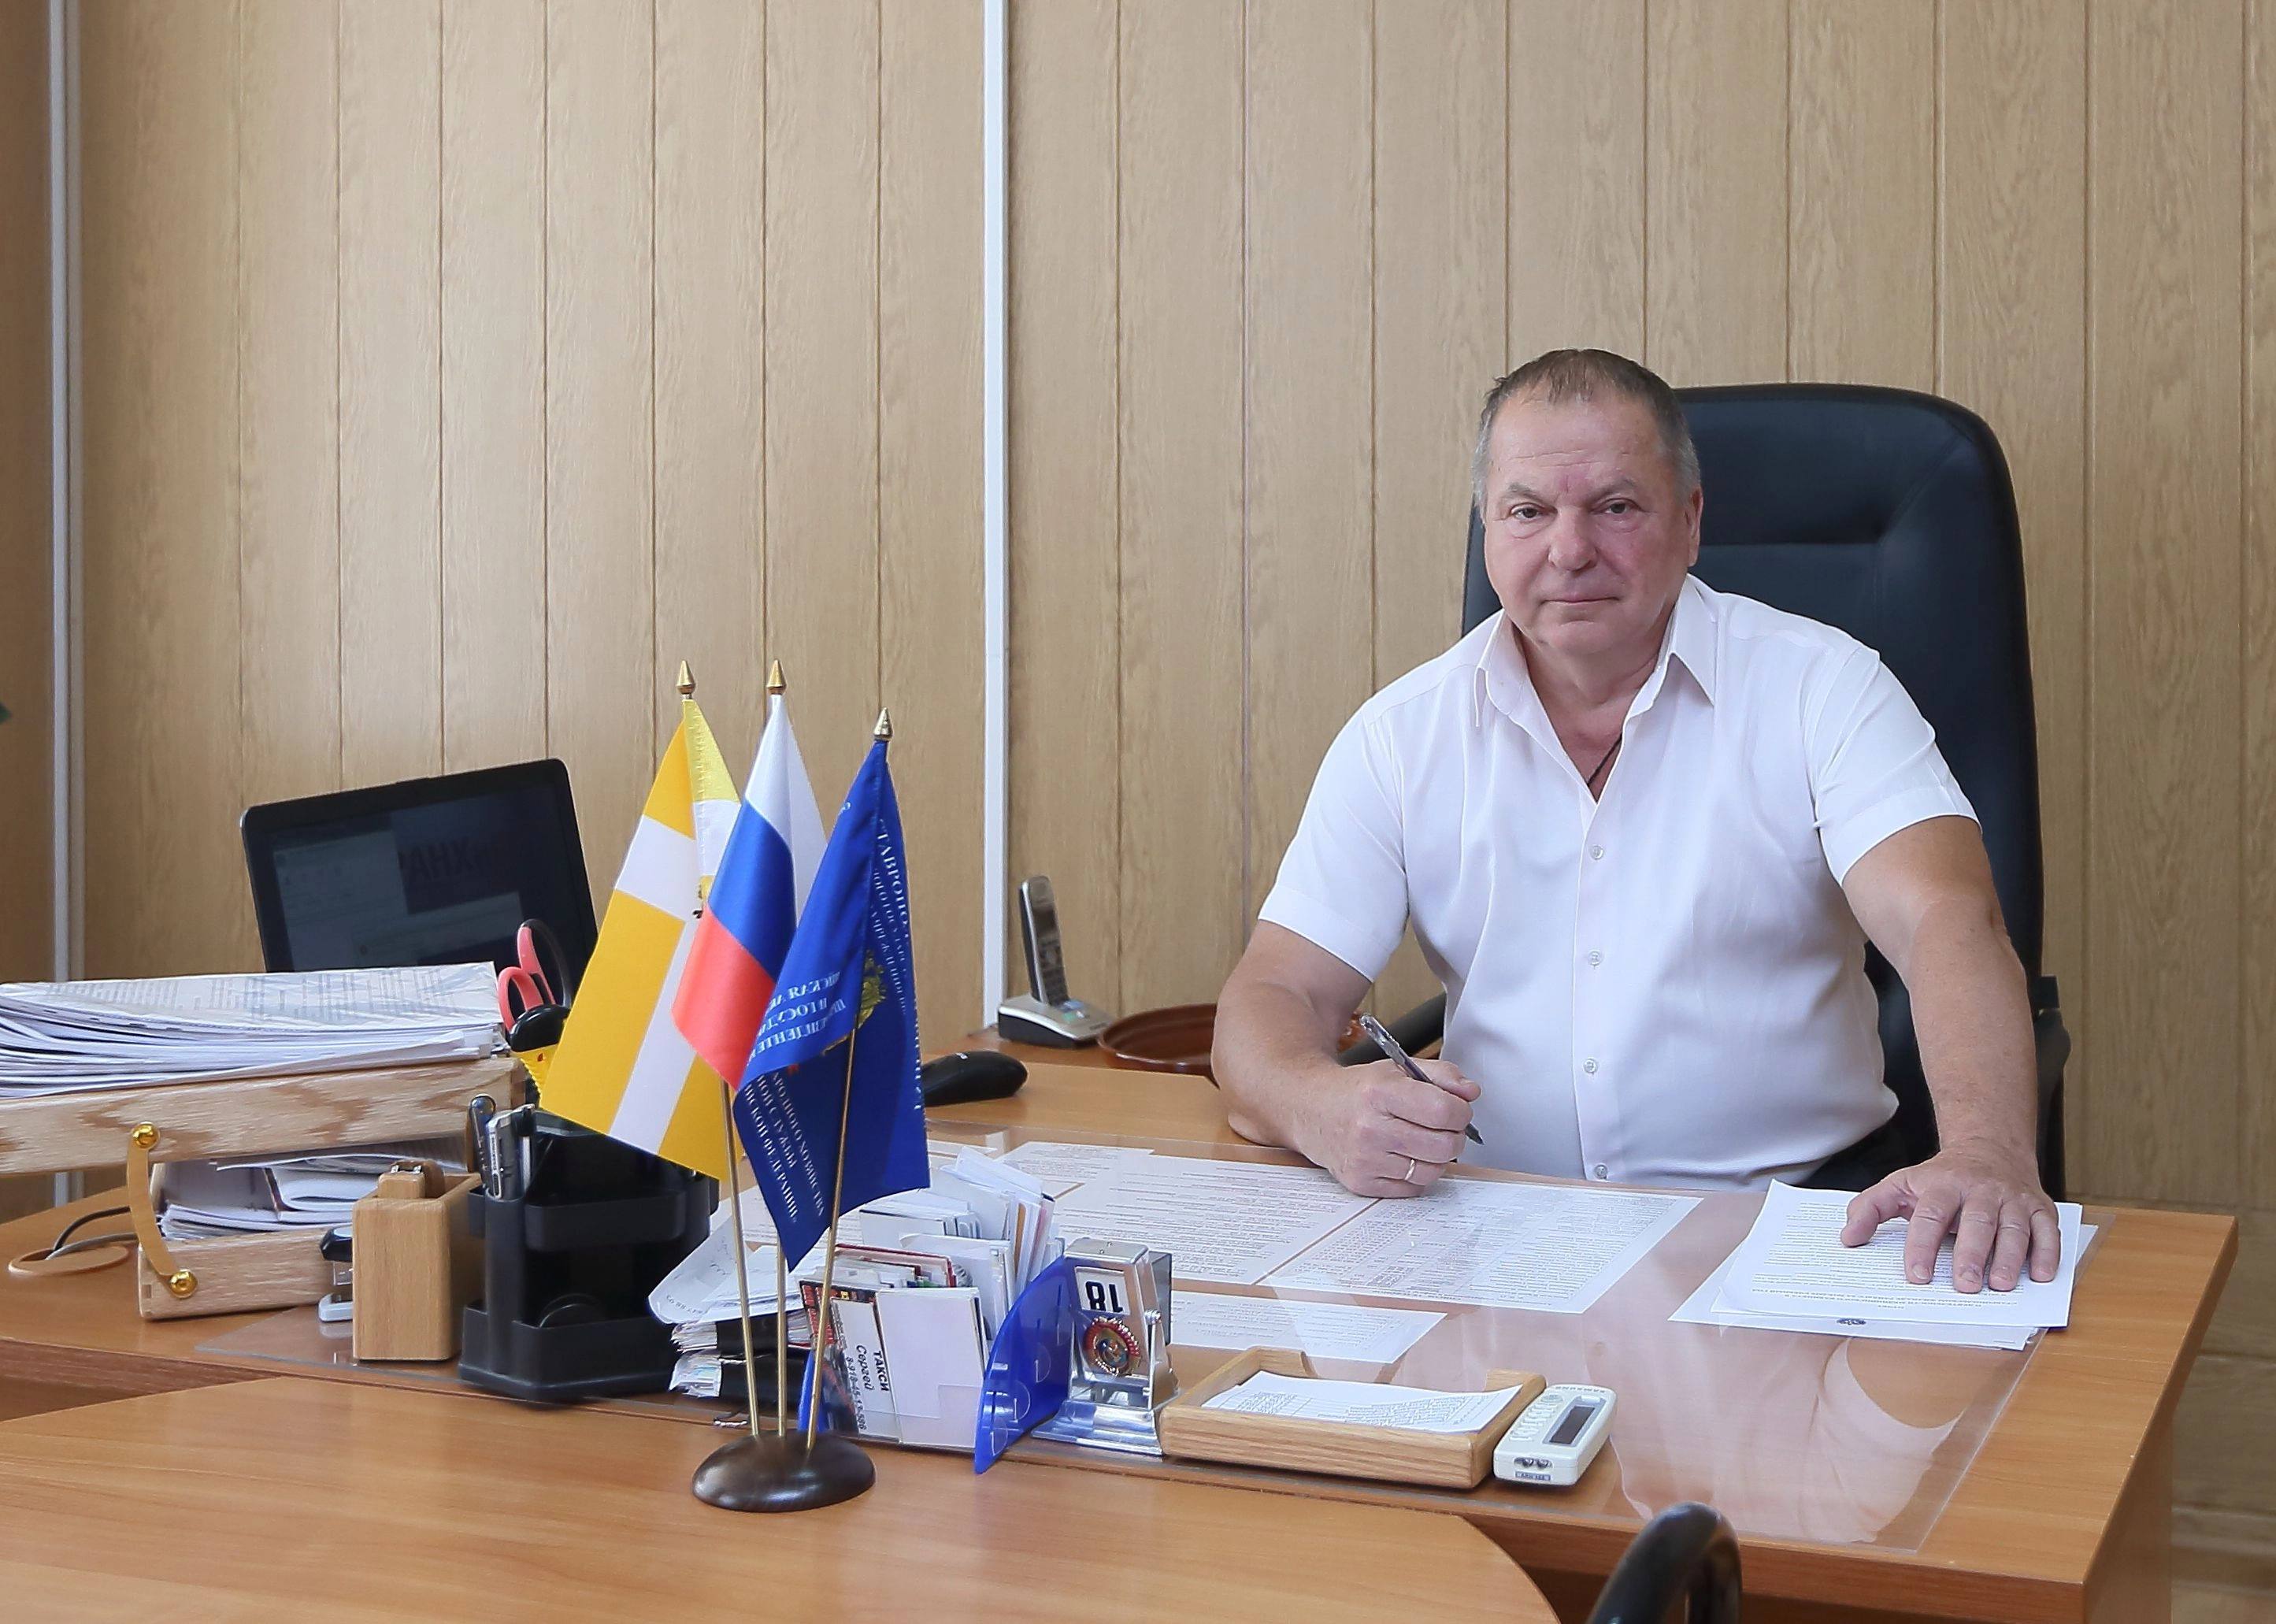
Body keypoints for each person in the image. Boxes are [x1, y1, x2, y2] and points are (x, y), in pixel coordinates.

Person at [1212, 348, 2059, 1294]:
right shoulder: (1401, 735)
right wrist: (1315, 1105)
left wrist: (1985, 1150)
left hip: (1794, 1234)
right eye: (1527, 511)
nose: (1568, 550)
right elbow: (1271, 994)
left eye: (1614, 507)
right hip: (1495, 1237)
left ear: (1690, 521)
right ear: (1488, 528)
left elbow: (1945, 917)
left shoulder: (1823, 688)